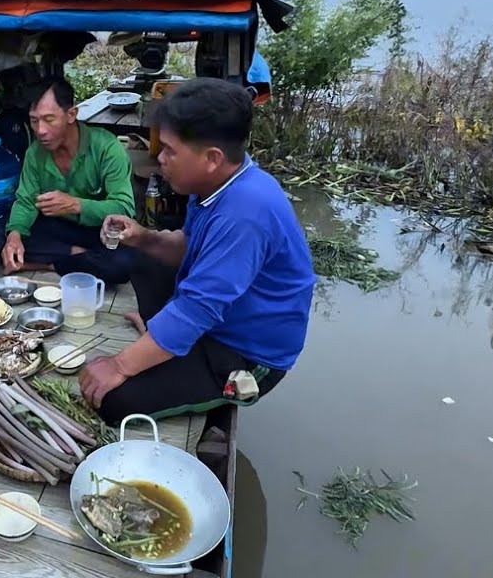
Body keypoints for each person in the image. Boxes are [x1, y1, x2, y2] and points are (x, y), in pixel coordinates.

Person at [79, 77, 316, 426]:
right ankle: (165, 340)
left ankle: (185, 359)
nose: (159, 158)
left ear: (212, 158)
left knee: (111, 400)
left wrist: (120, 364)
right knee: (144, 257)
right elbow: (191, 248)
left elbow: (198, 307)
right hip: (217, 317)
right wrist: (144, 238)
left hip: (243, 351)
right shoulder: (214, 184)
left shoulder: (245, 213)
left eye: (170, 150)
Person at [0, 76, 138, 285]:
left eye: (49, 119)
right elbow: (26, 201)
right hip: (56, 228)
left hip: (97, 230)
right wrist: (14, 236)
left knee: (122, 264)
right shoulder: (35, 153)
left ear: (71, 114)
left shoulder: (106, 148)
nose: (40, 130)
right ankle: (77, 256)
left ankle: (50, 263)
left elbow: (124, 208)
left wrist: (76, 205)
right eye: (34, 121)